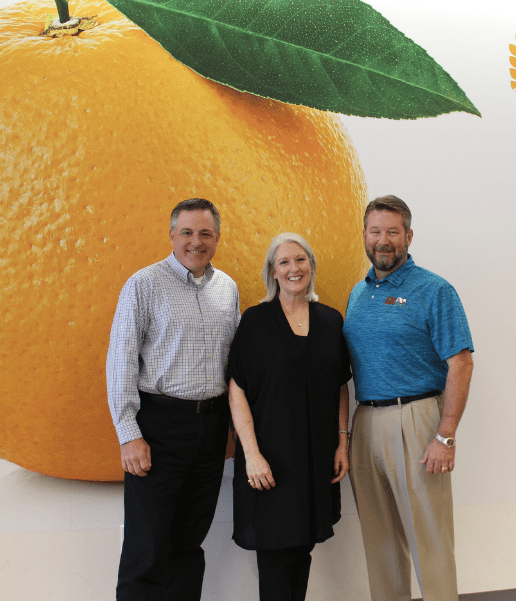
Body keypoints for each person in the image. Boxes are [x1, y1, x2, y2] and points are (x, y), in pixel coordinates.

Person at [106, 198, 240, 600]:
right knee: (146, 547)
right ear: (171, 235)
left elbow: (237, 362)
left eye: (205, 233)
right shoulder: (144, 284)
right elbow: (121, 360)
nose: (195, 242)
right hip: (159, 427)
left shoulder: (227, 289)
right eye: (186, 232)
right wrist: (129, 433)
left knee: (188, 542)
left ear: (216, 238)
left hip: (212, 428)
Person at [343, 195, 475, 601]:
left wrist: (446, 434)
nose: (384, 241)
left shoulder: (434, 290)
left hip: (417, 421)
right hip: (365, 423)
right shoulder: (357, 293)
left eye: (393, 233)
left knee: (429, 539)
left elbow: (462, 364)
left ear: (409, 236)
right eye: (376, 232)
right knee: (379, 542)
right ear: (365, 235)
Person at [227, 232, 351, 601]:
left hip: (315, 460)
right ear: (273, 272)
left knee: (301, 551)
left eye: (300, 260)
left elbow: (340, 386)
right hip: (269, 462)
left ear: (311, 266)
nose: (293, 268)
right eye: (284, 262)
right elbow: (237, 390)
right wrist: (251, 455)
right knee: (277, 555)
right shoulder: (255, 321)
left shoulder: (331, 320)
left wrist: (343, 442)